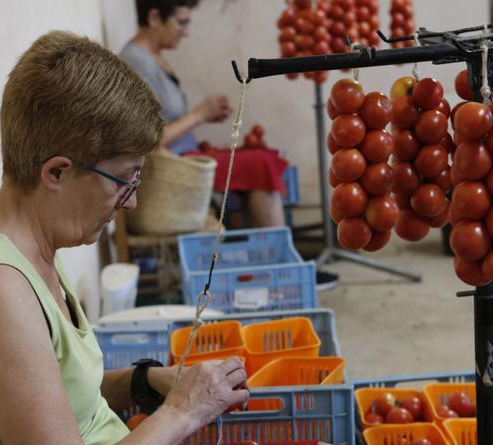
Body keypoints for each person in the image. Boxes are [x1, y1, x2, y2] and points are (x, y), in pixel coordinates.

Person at [0, 31, 358, 445]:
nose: (130, 204)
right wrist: (183, 411)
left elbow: (56, 397)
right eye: (125, 181)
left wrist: (143, 380)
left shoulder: (23, 253)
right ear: (56, 172)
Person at [120, 0, 340, 290]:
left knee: (266, 157)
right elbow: (146, 140)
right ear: (154, 17)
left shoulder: (153, 56)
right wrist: (199, 114)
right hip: (175, 169)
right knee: (261, 164)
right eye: (182, 22)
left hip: (188, 154)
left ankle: (281, 265)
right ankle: (284, 269)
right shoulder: (137, 62)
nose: (186, 32)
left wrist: (202, 117)